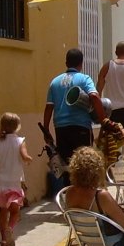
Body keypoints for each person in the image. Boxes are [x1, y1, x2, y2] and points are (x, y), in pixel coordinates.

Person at [43, 48, 101, 184]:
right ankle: (83, 192)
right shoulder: (84, 79)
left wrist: (46, 130)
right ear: (81, 63)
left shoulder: (55, 82)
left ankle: (68, 193)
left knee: (66, 165)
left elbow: (49, 107)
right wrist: (103, 118)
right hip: (81, 127)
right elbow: (94, 96)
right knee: (84, 164)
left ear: (66, 63)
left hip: (61, 129)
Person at [0, 112, 32, 246]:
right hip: (14, 183)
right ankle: (10, 227)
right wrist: (28, 159)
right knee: (15, 212)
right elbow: (24, 156)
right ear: (17, 126)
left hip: (0, 184)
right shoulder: (20, 141)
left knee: (3, 213)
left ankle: (3, 240)